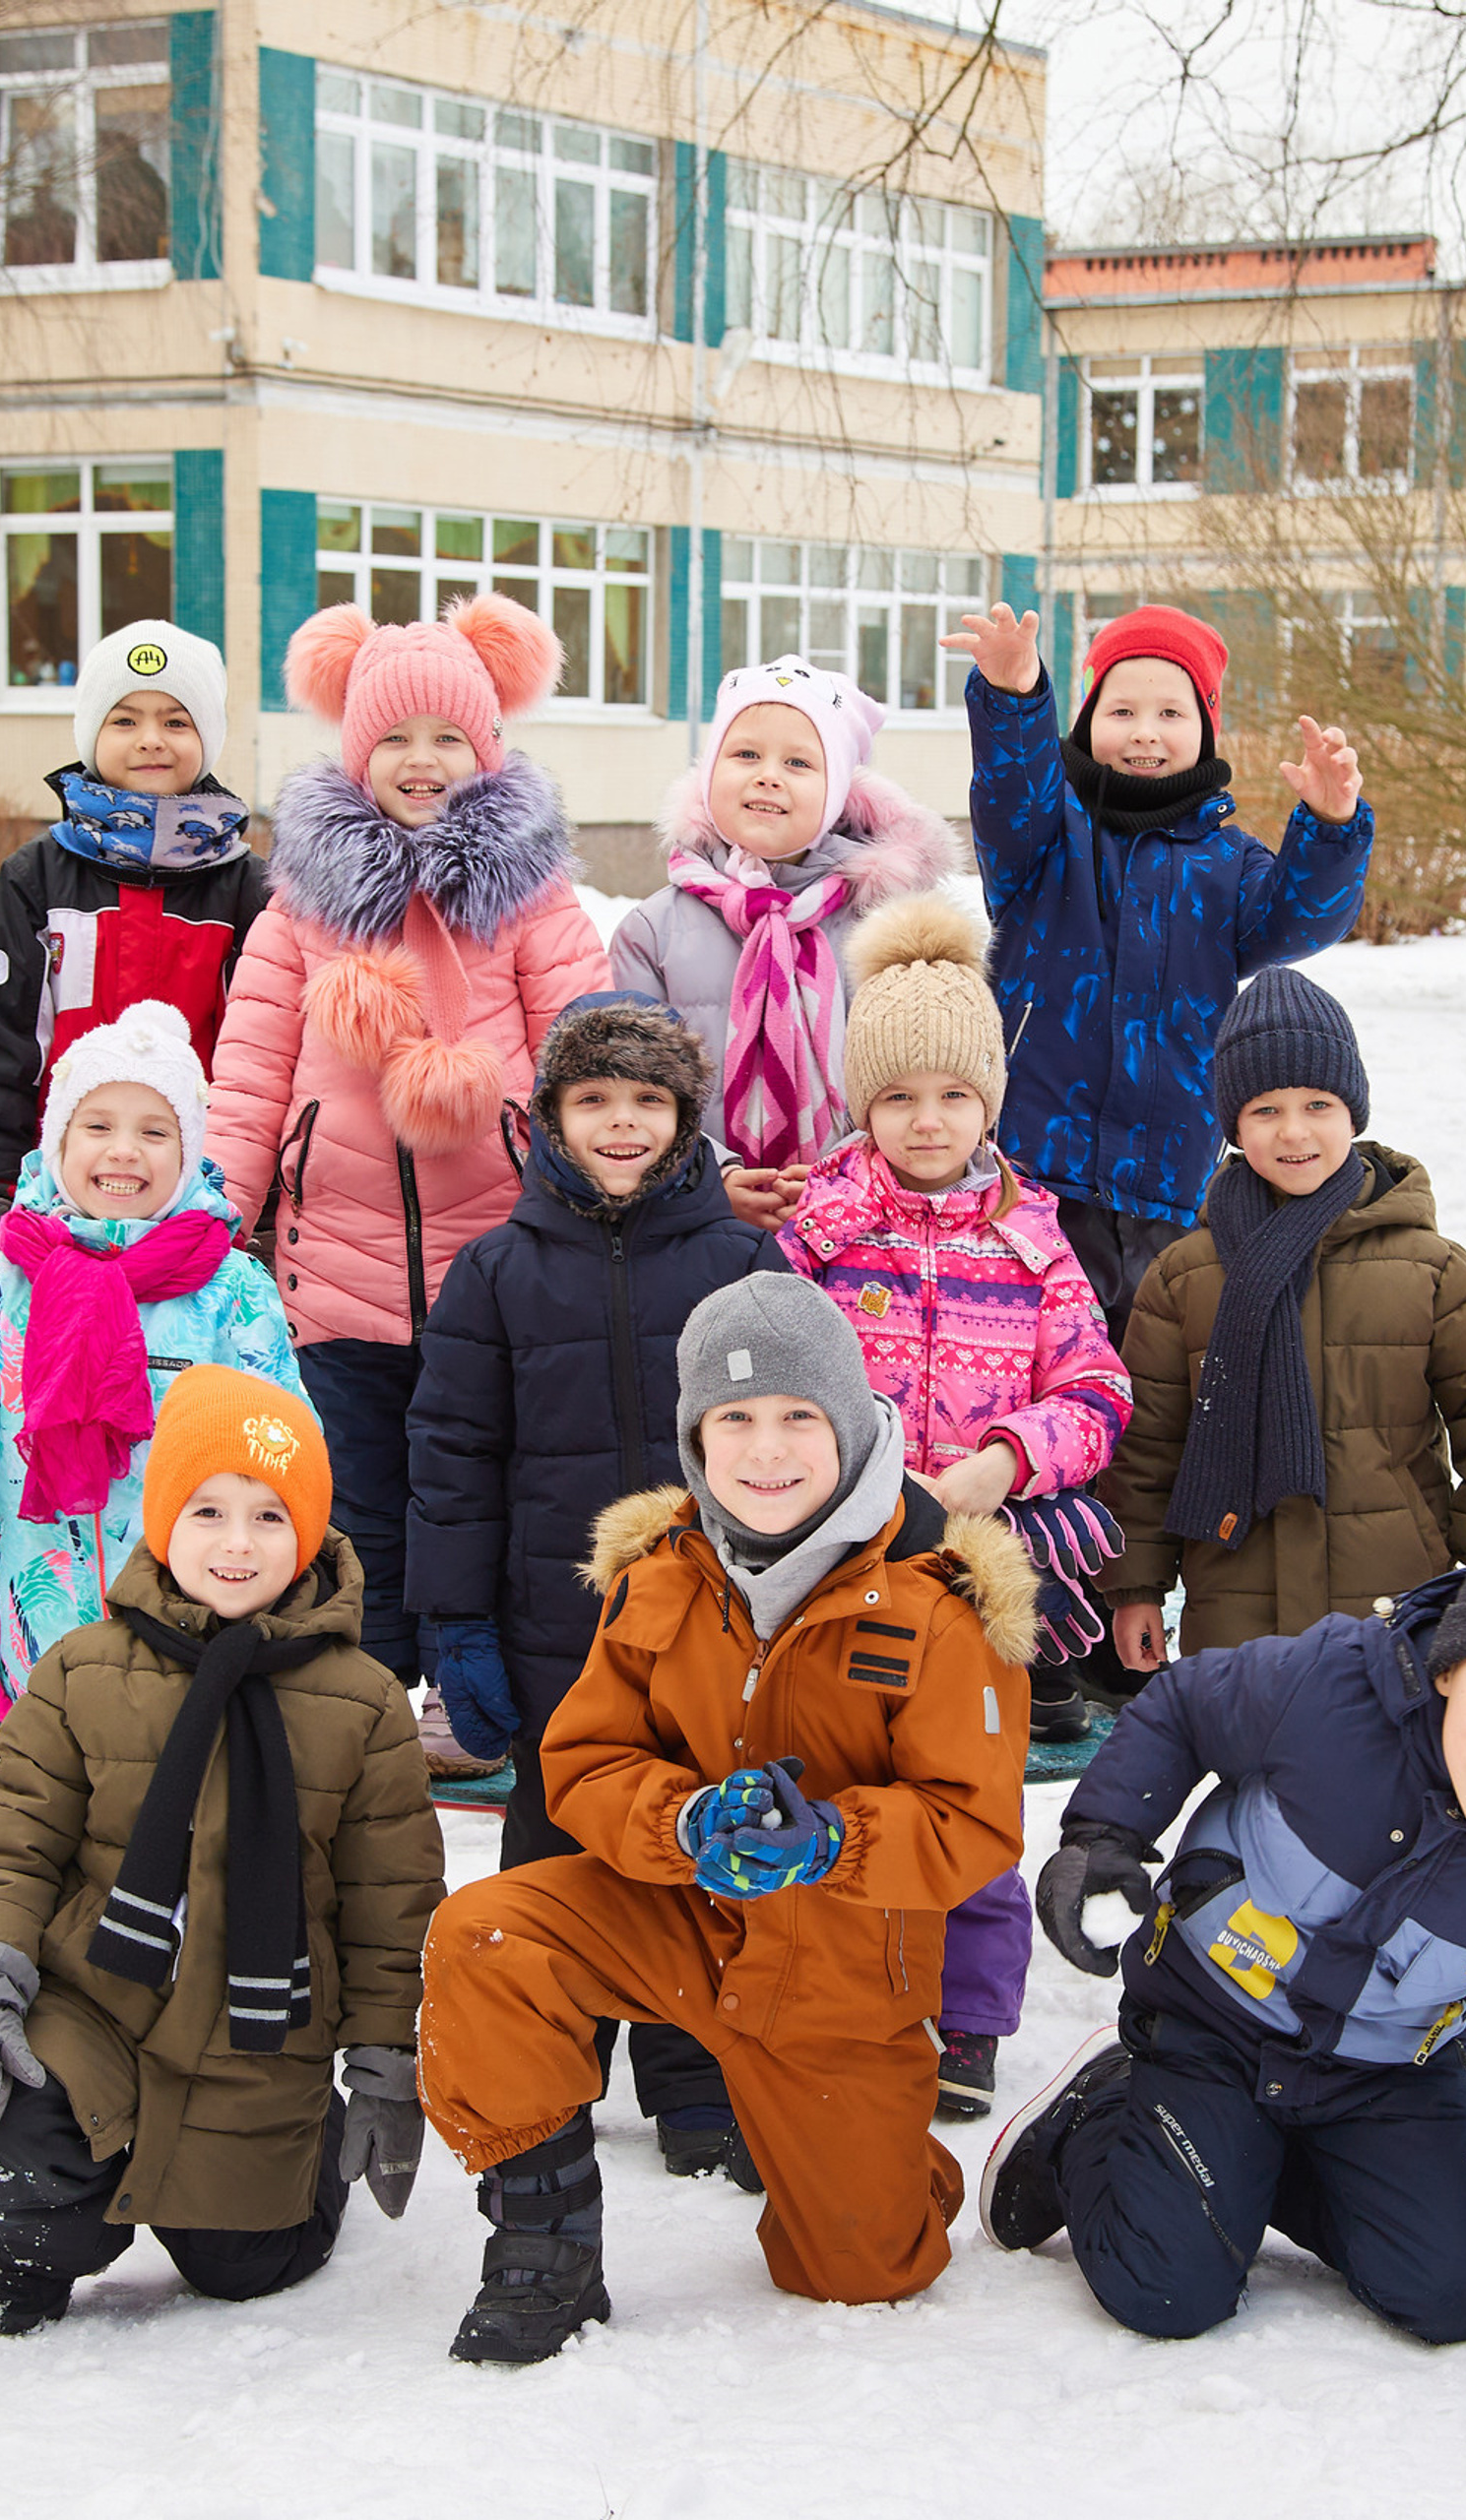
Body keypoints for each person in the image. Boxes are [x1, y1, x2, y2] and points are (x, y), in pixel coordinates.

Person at [416, 1276, 1032, 2364]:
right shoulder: (657, 1573)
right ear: (696, 1435)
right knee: (488, 1930)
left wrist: (833, 1838)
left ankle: (872, 2157)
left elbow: (970, 1825)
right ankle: (543, 2235)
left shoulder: (940, 1600)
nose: (767, 1449)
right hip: (678, 1919)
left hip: (836, 1967)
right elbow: (584, 1759)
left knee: (856, 2271)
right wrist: (684, 1818)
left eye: (798, 1416)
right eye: (733, 1419)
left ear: (847, 1420)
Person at [986, 1495, 1466, 2412]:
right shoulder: (1328, 1688)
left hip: (1388, 2071)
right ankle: (1097, 2121)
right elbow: (1184, 1704)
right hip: (1212, 2022)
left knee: (1464, 2295)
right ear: (1450, 1670)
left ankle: (1247, 2174)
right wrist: (1105, 1832)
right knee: (1167, 2289)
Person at [0, 1364, 445, 2335]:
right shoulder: (83, 1670)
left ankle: (303, 2144)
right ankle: (43, 2239)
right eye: (207, 1510)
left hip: (261, 2028)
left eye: (268, 1515)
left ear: (311, 1528)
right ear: (163, 1518)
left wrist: (382, 2059)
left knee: (246, 2270)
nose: (238, 1544)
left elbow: (391, 1904)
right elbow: (10, 1844)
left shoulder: (362, 1699)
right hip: (97, 2005)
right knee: (16, 2123)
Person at [206, 596, 607, 1776]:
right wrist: (216, 1219)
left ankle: (471, 1692)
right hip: (334, 1275)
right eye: (395, 739)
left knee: (477, 1493)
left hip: (498, 1272)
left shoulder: (532, 896)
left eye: (447, 737)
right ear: (353, 752)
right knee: (358, 1499)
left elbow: (584, 1044)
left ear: (485, 750)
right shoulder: (299, 907)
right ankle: (364, 1692)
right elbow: (249, 1076)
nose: (422, 761)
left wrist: (594, 1195)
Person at [405, 989, 789, 2181]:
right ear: (548, 1118)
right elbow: (453, 1454)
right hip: (549, 1622)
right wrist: (455, 1619)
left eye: (646, 1100)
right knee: (556, 1838)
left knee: (693, 1833)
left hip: (710, 1621)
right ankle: (547, 2064)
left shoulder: (741, 1260)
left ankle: (692, 2076)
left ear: (683, 1118)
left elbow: (793, 1440)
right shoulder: (496, 1271)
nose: (620, 1124)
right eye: (593, 1100)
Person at [779, 895, 1131, 2117]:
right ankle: (843, 1995)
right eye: (897, 1098)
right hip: (837, 1566)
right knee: (835, 1787)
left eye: (951, 1095)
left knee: (969, 1802)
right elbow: (763, 1385)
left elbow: (1097, 1390)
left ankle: (971, 2021)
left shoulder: (1035, 1243)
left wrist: (1000, 1462)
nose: (926, 1122)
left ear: (988, 1100)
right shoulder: (817, 1237)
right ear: (861, 1106)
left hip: (983, 1577)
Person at [942, 601, 1371, 1344]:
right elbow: (1012, 793)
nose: (1145, 730)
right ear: (1086, 722)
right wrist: (1015, 698)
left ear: (1205, 729)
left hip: (1170, 1184)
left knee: (1151, 1379)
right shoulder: (1045, 841)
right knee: (1033, 1362)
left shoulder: (1230, 862)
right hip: (1032, 1173)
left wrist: (1330, 830)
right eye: (1123, 709)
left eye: (1171, 710)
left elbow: (1300, 921)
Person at [1098, 965, 1466, 1672]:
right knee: (1253, 1785)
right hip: (1238, 1620)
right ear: (1234, 1122)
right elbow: (1146, 1448)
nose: (1293, 1131)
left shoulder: (1430, 1269)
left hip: (1394, 1612)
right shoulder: (1186, 1277)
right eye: (1265, 1110)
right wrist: (1136, 1585)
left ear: (1353, 1112)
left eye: (1318, 1105)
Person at [0, 999, 305, 1763]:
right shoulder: (0, 1285)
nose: (124, 1151)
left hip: (200, 1638)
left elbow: (287, 1459)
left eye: (154, 1130)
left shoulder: (232, 1290)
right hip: (35, 1640)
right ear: (57, 1140)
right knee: (47, 1849)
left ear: (189, 1150)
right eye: (97, 1126)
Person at [0, 618, 272, 1275]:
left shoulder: (248, 889)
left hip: (202, 1212)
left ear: (207, 738)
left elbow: (267, 1064)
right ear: (91, 733)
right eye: (124, 720)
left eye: (177, 721)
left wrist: (247, 1207)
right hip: (49, 1211)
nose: (151, 740)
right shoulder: (35, 879)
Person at [607, 656, 962, 1232]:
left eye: (799, 762)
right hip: (701, 1224)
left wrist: (849, 1178)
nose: (768, 775)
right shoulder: (651, 932)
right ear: (708, 773)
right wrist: (709, 1180)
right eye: (745, 754)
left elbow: (926, 1081)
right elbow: (633, 1091)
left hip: (866, 1226)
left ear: (839, 790)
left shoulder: (889, 923)